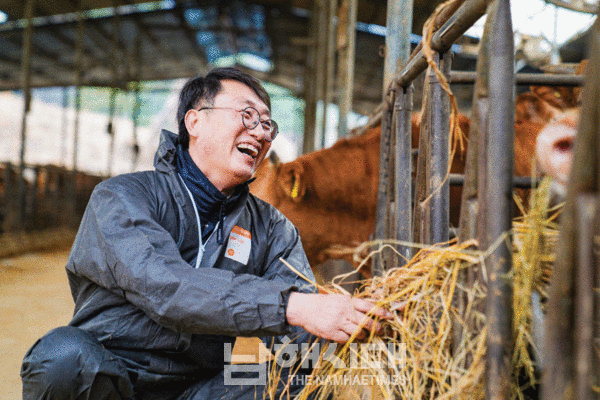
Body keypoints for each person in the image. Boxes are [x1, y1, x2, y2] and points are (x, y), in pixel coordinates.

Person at [21, 67, 392, 400]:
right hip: (112, 377)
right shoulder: (123, 197)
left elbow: (299, 339)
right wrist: (291, 305)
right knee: (64, 358)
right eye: (247, 115)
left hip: (206, 384)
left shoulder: (273, 228)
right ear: (194, 121)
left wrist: (363, 324)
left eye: (267, 124)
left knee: (299, 374)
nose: (261, 132)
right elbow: (167, 287)